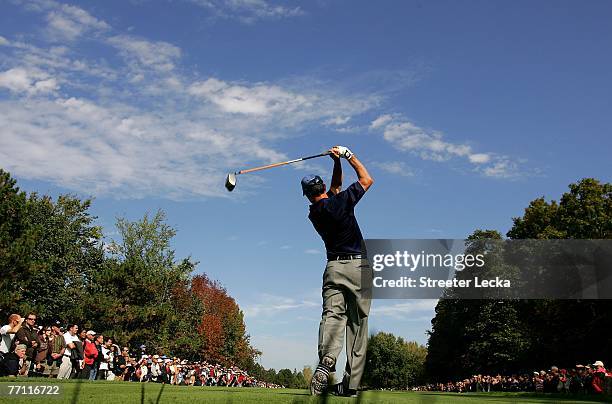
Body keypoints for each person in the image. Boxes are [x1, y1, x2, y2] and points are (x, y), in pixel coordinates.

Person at [302, 145, 374, 397]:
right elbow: (367, 179)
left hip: (333, 268)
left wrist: (336, 163)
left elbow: (336, 188)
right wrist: (349, 155)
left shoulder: (314, 212)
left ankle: (327, 361)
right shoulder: (341, 202)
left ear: (307, 195)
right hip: (358, 267)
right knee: (357, 324)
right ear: (322, 189)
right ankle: (350, 384)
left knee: (332, 316)